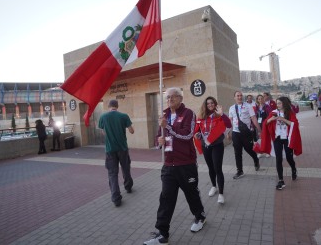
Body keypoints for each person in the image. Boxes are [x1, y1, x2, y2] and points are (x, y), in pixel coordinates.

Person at [144, 87, 206, 245]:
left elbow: (187, 135)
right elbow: (159, 135)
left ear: (180, 98)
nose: (169, 100)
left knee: (191, 194)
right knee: (166, 198)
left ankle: (200, 217)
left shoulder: (188, 113)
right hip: (169, 164)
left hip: (186, 164)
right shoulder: (164, 115)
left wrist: (169, 128)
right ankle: (162, 234)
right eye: (167, 98)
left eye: (173, 97)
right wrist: (159, 142)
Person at [194, 96, 232, 204]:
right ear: (205, 105)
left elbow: (228, 125)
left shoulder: (219, 116)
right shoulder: (201, 117)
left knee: (217, 168)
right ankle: (213, 186)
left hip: (217, 145)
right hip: (206, 145)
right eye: (208, 103)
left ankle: (221, 194)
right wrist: (197, 135)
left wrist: (222, 114)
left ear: (215, 104)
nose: (210, 105)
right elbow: (198, 131)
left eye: (212, 103)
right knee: (210, 168)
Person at [98, 99, 134, 207]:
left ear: (108, 106)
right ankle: (128, 187)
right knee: (125, 168)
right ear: (117, 106)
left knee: (112, 174)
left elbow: (103, 132)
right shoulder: (124, 116)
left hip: (110, 149)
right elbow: (132, 131)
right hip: (122, 148)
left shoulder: (103, 117)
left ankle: (116, 198)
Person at [260, 96, 302, 190]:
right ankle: (281, 180)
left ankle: (293, 169)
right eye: (277, 103)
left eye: (279, 103)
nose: (277, 105)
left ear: (284, 103)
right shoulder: (273, 112)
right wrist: (271, 119)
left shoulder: (290, 113)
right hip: (277, 138)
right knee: (278, 159)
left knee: (288, 157)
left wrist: (282, 119)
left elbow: (294, 124)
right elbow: (265, 123)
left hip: (287, 138)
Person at [228, 91, 261, 180]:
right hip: (236, 133)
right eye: (237, 96)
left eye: (240, 95)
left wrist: (259, 130)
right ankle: (240, 171)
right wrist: (229, 132)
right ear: (234, 97)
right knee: (237, 152)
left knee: (249, 149)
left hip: (246, 132)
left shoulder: (248, 106)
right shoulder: (231, 108)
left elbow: (253, 118)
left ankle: (255, 159)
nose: (239, 97)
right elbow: (230, 121)